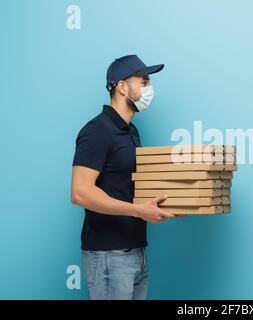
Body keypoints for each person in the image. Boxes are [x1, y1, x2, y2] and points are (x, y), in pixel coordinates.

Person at [71, 54, 175, 300]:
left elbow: (129, 187)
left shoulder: (131, 132)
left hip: (136, 251)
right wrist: (138, 211)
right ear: (122, 87)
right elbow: (80, 192)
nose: (149, 88)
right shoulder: (97, 131)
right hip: (109, 256)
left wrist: (171, 204)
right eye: (144, 81)